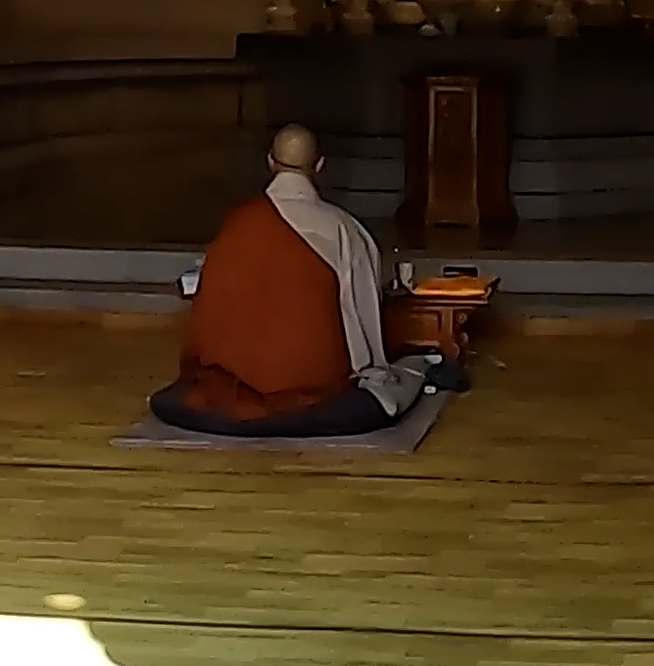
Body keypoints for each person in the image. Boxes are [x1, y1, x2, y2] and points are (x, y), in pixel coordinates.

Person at [152, 126, 448, 436]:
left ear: (269, 161)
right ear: (320, 165)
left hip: (231, 379)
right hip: (314, 383)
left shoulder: (235, 225)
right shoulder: (344, 229)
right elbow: (361, 318)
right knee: (382, 391)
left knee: (181, 397)